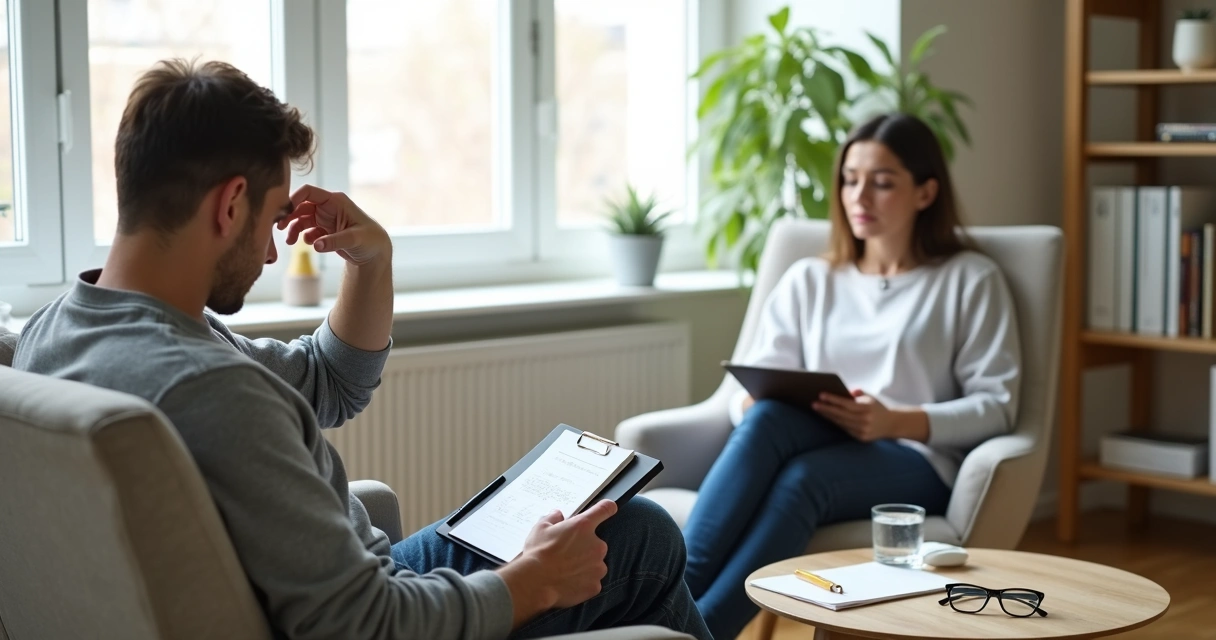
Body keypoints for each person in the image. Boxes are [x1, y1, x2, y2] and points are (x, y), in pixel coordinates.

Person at [14, 59, 711, 640]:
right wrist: (527, 582)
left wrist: (372, 263)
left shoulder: (62, 331)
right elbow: (364, 623)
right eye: (271, 218)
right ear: (230, 206)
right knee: (641, 539)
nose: (268, 252)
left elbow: (331, 382)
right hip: (382, 614)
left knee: (624, 530)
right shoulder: (208, 390)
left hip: (347, 590)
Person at [682, 113, 1022, 639]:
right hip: (814, 434)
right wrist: (748, 407)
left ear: (926, 193)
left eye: (883, 183)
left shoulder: (970, 280)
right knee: (769, 415)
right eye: (850, 179)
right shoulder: (811, 279)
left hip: (915, 458)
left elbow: (996, 405)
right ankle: (670, 602)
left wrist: (895, 421)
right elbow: (742, 393)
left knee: (803, 482)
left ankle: (699, 630)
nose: (860, 196)